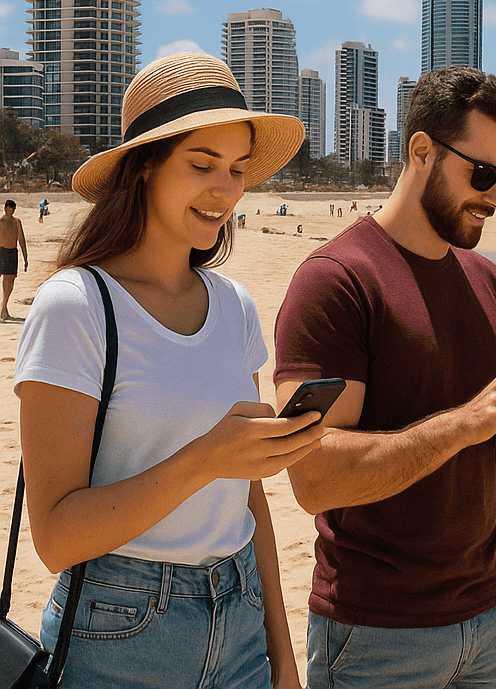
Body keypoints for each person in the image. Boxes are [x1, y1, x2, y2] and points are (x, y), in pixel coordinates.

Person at [274, 65, 496, 689]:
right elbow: (312, 478)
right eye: (483, 175)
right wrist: (462, 423)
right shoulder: (337, 281)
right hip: (376, 635)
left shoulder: (490, 283)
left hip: (491, 617)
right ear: (421, 151)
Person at [14, 52, 322, 688]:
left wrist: (283, 662)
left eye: (238, 170)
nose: (226, 190)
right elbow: (56, 537)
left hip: (240, 620)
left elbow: (249, 499)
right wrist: (204, 458)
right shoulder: (77, 305)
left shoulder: (234, 304)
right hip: (117, 629)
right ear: (144, 168)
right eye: (202, 165)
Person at [0, 199, 29, 322]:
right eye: (8, 208)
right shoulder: (0, 222)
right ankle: (3, 310)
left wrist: (25, 257)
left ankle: (3, 307)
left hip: (12, 253)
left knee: (9, 283)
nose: (9, 210)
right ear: (4, 208)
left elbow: (21, 239)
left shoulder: (17, 222)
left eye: (12, 208)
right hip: (1, 252)